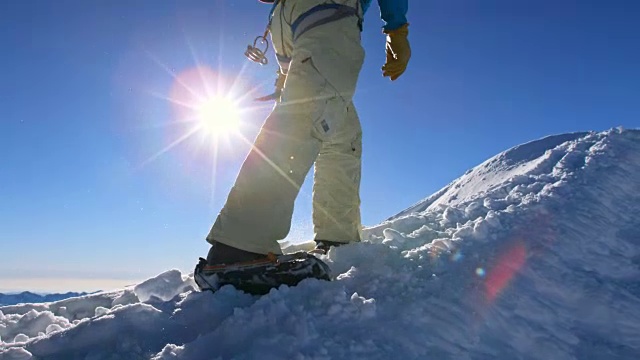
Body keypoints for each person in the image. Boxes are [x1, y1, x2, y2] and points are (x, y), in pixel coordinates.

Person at [205, 0, 410, 267]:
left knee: (341, 135)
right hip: (326, 8)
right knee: (310, 110)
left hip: (288, 24)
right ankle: (241, 246)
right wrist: (397, 29)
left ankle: (338, 239)